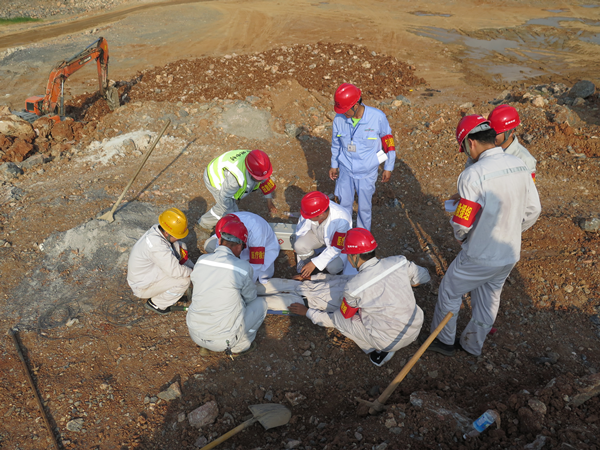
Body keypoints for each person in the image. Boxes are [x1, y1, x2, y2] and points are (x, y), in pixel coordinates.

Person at [427, 115, 541, 357]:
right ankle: (472, 345)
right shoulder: (520, 165)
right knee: (489, 297)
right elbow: (534, 210)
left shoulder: (473, 174)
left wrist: (462, 238)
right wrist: (513, 229)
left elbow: (462, 222)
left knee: (449, 291)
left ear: (471, 142)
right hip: (509, 253)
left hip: (480, 255)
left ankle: (443, 341)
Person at [288, 228, 430, 367]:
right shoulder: (399, 262)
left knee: (342, 319)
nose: (348, 259)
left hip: (389, 341)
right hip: (415, 327)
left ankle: (379, 351)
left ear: (355, 256)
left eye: (348, 255)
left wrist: (308, 312)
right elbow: (424, 276)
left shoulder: (354, 287)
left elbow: (339, 318)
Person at [187, 220, 267, 355]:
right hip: (223, 341)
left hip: (195, 333)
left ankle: (205, 345)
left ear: (219, 241)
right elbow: (250, 298)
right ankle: (240, 346)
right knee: (260, 304)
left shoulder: (202, 260)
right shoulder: (243, 268)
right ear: (239, 246)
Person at [329, 83, 396, 230]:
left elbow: (389, 143)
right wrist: (334, 164)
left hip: (367, 172)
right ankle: (344, 234)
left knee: (364, 208)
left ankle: (362, 236)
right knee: (344, 206)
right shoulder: (339, 119)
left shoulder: (377, 117)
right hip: (346, 170)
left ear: (355, 106)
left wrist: (388, 167)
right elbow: (336, 144)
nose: (343, 113)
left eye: (345, 110)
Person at [127, 208, 194, 315]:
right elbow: (175, 271)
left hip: (148, 273)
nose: (178, 238)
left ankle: (168, 292)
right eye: (177, 236)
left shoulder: (158, 230)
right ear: (167, 233)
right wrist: (193, 272)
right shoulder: (156, 246)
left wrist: (193, 268)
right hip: (142, 286)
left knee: (181, 247)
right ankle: (157, 304)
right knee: (184, 280)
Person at [198, 149, 277, 232]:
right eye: (258, 178)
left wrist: (269, 201)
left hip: (225, 174)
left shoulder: (257, 161)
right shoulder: (235, 179)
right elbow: (224, 198)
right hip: (214, 177)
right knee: (224, 208)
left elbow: (265, 179)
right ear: (250, 171)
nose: (261, 180)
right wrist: (233, 216)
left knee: (232, 210)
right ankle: (204, 224)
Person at [204, 212, 280, 284]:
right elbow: (220, 252)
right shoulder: (225, 223)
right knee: (209, 245)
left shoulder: (257, 232)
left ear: (240, 245)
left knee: (261, 275)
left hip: (265, 247)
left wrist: (247, 285)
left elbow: (256, 265)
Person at [292, 191, 352, 279]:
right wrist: (298, 239)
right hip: (317, 235)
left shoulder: (342, 219)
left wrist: (314, 263)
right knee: (299, 246)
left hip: (337, 246)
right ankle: (311, 270)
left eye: (310, 217)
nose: (307, 218)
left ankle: (329, 275)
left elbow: (336, 248)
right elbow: (301, 226)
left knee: (333, 267)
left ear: (321, 214)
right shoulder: (311, 209)